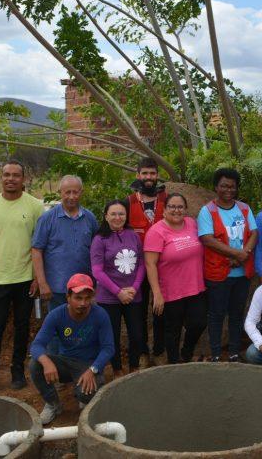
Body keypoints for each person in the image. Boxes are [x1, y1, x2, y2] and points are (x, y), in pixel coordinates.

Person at [0, 160, 44, 393]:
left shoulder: (35, 206)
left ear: (23, 179)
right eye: (6, 174)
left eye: (16, 175)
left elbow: (41, 245)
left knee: (23, 327)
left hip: (26, 278)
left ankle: (17, 371)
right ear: (1, 177)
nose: (11, 179)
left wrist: (37, 277)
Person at [29, 274, 114, 424]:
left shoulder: (100, 315)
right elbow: (36, 345)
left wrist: (93, 369)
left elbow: (108, 348)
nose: (83, 303)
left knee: (86, 395)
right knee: (36, 364)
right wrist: (47, 362)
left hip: (88, 365)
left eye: (87, 298)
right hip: (65, 362)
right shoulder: (56, 315)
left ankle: (83, 397)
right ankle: (53, 404)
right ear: (68, 297)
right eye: (78, 298)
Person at [31, 175, 98, 354]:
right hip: (57, 288)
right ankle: (56, 368)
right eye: (67, 192)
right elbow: (37, 250)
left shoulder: (90, 218)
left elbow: (97, 250)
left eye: (75, 192)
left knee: (83, 329)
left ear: (81, 193)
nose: (71, 196)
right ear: (60, 193)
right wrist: (42, 282)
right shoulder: (48, 219)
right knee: (56, 329)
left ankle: (80, 365)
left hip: (84, 288)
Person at [198, 168, 258, 362]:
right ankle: (215, 353)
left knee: (236, 313)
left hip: (241, 273)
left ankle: (233, 352)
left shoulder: (244, 208)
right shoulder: (207, 211)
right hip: (218, 274)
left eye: (232, 186)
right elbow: (207, 239)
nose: (228, 189)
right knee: (216, 315)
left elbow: (254, 233)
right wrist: (236, 253)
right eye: (224, 185)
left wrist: (244, 254)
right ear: (216, 187)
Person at [144, 193, 207, 364]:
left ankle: (186, 353)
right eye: (172, 206)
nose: (176, 210)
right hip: (171, 292)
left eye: (180, 207)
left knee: (199, 323)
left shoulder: (192, 224)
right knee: (172, 330)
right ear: (164, 210)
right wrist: (157, 293)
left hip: (196, 288)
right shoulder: (156, 232)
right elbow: (150, 264)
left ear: (185, 209)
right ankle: (173, 363)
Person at [90, 200, 145, 376]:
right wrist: (118, 292)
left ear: (126, 216)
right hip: (109, 297)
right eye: (113, 214)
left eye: (121, 213)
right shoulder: (99, 239)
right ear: (105, 216)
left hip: (133, 295)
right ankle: (117, 370)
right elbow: (97, 271)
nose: (117, 217)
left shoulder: (133, 236)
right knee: (111, 336)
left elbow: (142, 264)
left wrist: (134, 288)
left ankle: (134, 367)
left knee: (136, 334)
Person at [125, 157, 166, 369]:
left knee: (160, 309)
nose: (149, 178)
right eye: (145, 173)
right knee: (138, 311)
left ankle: (159, 350)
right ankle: (142, 352)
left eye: (152, 173)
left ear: (157, 175)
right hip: (137, 268)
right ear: (137, 174)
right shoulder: (129, 201)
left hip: (162, 266)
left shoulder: (166, 199)